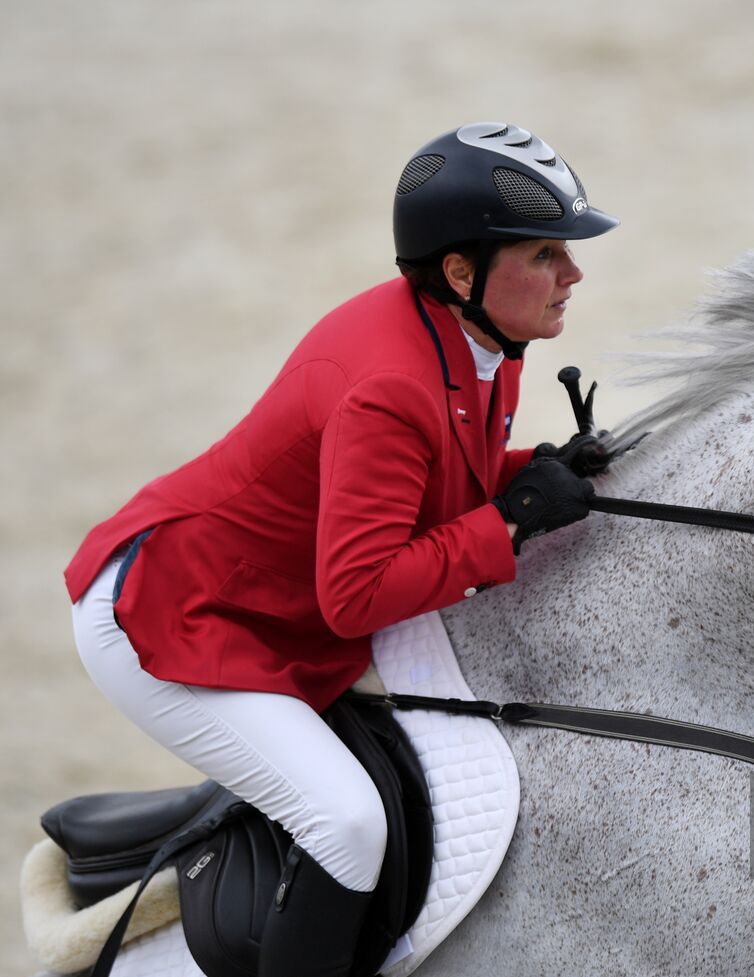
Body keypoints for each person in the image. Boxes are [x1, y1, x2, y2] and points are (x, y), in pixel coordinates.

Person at [64, 121, 616, 976]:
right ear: (462, 271)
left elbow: (432, 477)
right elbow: (355, 594)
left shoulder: (485, 340)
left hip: (264, 594)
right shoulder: (390, 384)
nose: (572, 274)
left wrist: (529, 475)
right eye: (545, 253)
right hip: (169, 620)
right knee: (347, 824)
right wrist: (507, 522)